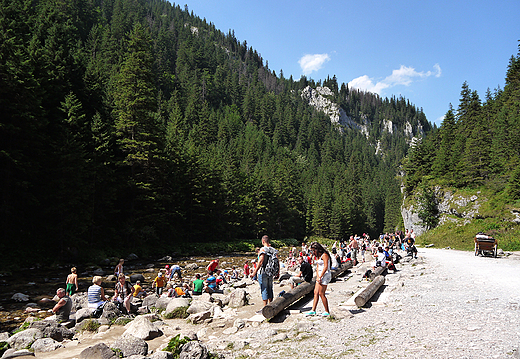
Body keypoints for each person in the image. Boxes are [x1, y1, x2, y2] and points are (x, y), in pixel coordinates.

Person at [250, 235, 278, 309]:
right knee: (270, 288)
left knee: (264, 289)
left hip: (263, 272)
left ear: (263, 241)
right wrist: (278, 272)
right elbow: (277, 261)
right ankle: (271, 305)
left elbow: (260, 261)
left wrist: (254, 273)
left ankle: (265, 307)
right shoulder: (273, 250)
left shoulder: (263, 249)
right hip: (271, 272)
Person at [306, 242, 331, 317]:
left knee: (321, 293)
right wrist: (317, 276)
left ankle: (327, 310)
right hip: (319, 275)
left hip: (325, 275)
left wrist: (321, 276)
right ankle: (313, 310)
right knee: (315, 292)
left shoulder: (325, 255)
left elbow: (326, 267)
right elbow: (317, 267)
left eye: (314, 250)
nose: (313, 252)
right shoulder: (317, 256)